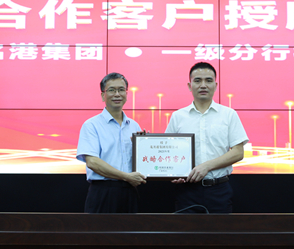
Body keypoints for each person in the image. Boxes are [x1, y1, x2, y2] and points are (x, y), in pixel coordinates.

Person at [165, 62, 248, 213]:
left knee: (220, 229)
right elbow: (168, 151)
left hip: (219, 190)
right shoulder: (178, 116)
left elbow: (238, 152)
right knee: (185, 229)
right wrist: (173, 173)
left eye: (208, 80)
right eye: (197, 81)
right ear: (190, 86)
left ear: (215, 85)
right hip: (186, 191)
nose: (203, 85)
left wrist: (206, 166)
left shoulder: (229, 114)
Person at [76, 72, 147, 213]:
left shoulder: (134, 126)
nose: (117, 94)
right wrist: (126, 176)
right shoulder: (91, 125)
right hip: (103, 192)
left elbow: (140, 163)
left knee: (131, 228)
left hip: (130, 192)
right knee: (99, 228)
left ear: (126, 94)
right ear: (103, 95)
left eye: (121, 90)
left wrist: (144, 146)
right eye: (112, 90)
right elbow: (92, 162)